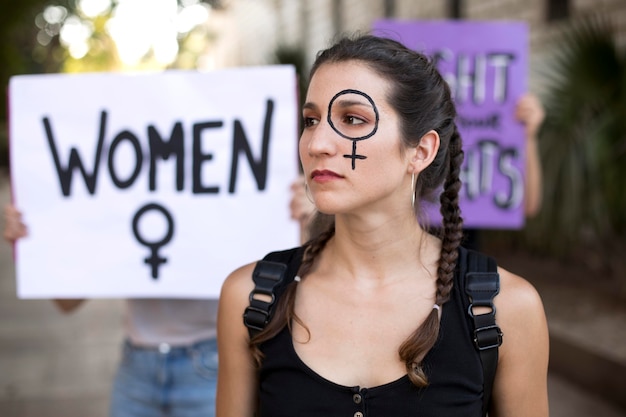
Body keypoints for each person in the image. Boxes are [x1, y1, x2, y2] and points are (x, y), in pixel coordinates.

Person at [217, 34, 549, 416]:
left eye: (353, 119)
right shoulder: (249, 297)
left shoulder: (506, 308)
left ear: (420, 151)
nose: (317, 143)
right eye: (311, 120)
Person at [4, 204, 218, 417]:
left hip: (213, 363)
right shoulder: (118, 205)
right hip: (135, 367)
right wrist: (32, 245)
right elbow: (67, 301)